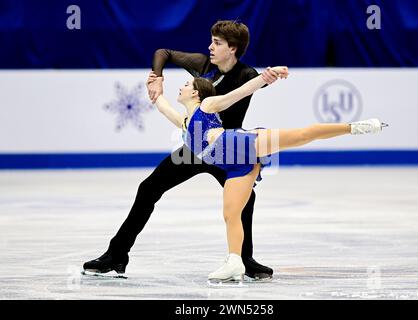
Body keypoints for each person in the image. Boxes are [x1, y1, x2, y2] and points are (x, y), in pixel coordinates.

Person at [83, 20, 278, 280]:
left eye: (217, 43)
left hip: (224, 152)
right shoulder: (202, 64)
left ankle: (244, 259)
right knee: (148, 188)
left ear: (232, 49)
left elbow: (255, 84)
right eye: (212, 40)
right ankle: (116, 254)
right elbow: (163, 52)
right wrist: (157, 77)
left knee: (247, 199)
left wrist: (270, 75)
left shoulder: (245, 75)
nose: (210, 47)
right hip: (194, 148)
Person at [154, 68, 387, 282]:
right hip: (235, 167)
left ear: (196, 93)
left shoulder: (208, 105)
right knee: (231, 214)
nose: (181, 87)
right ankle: (235, 262)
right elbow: (163, 107)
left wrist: (265, 77)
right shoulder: (185, 123)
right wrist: (155, 86)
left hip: (243, 145)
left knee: (302, 135)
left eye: (186, 84)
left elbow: (240, 92)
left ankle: (357, 127)